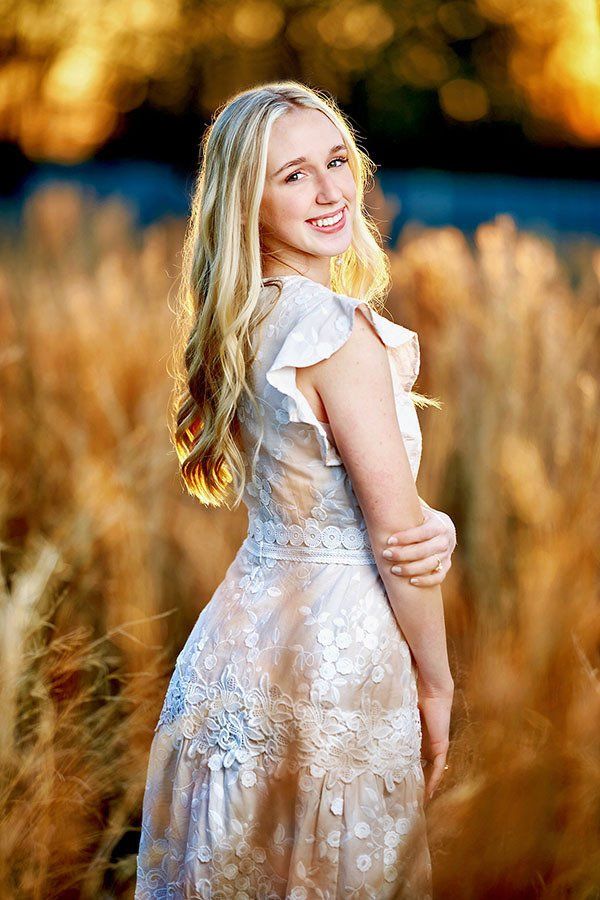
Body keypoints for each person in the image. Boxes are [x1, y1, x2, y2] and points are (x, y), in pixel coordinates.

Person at [134, 81, 456, 900]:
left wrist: (431, 522)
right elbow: (397, 539)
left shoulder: (242, 320)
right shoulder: (337, 334)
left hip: (231, 655)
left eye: (337, 161)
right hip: (336, 663)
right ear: (248, 199)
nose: (328, 190)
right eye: (292, 175)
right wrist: (436, 681)